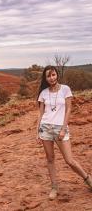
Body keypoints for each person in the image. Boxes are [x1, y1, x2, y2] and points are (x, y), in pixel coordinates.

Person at [36, 65, 92, 200]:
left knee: (69, 160)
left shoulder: (65, 89)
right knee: (50, 159)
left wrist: (63, 128)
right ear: (46, 78)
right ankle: (54, 187)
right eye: (48, 76)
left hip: (60, 128)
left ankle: (88, 179)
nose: (51, 78)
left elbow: (68, 110)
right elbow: (41, 113)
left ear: (57, 75)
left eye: (53, 74)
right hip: (46, 128)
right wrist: (37, 131)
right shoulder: (43, 93)